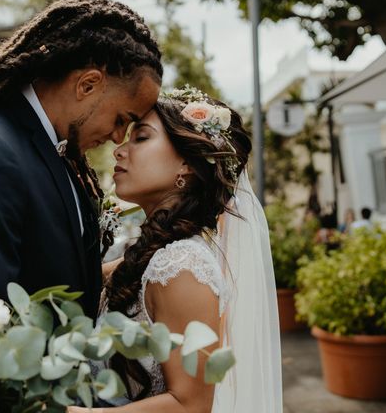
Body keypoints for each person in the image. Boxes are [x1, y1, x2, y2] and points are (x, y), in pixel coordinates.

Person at [0, 0, 163, 317]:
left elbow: (68, 287)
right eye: (122, 119)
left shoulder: (57, 155)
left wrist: (149, 260)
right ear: (87, 84)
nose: (117, 137)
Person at [69, 86, 282, 413]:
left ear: (186, 165)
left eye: (141, 138)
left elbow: (191, 405)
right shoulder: (149, 254)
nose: (118, 151)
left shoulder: (180, 265)